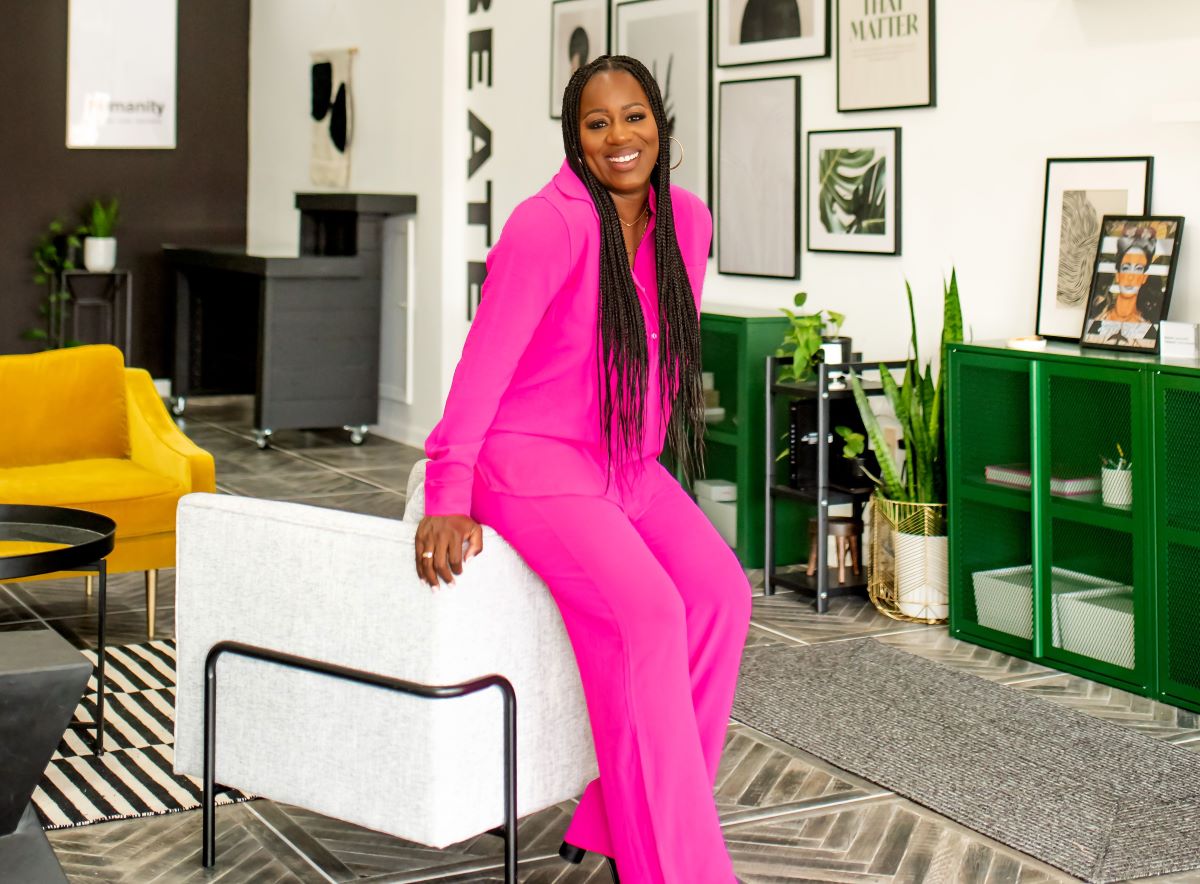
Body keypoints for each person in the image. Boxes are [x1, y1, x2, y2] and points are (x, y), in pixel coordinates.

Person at [415, 55, 751, 884]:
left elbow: (664, 347)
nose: (618, 137)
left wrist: (645, 454)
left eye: (633, 116)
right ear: (576, 137)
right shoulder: (548, 225)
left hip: (625, 462)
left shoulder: (687, 220)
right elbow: (482, 366)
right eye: (597, 123)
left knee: (720, 597)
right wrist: (447, 491)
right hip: (531, 459)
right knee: (646, 615)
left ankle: (614, 820)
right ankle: (676, 871)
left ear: (660, 123)